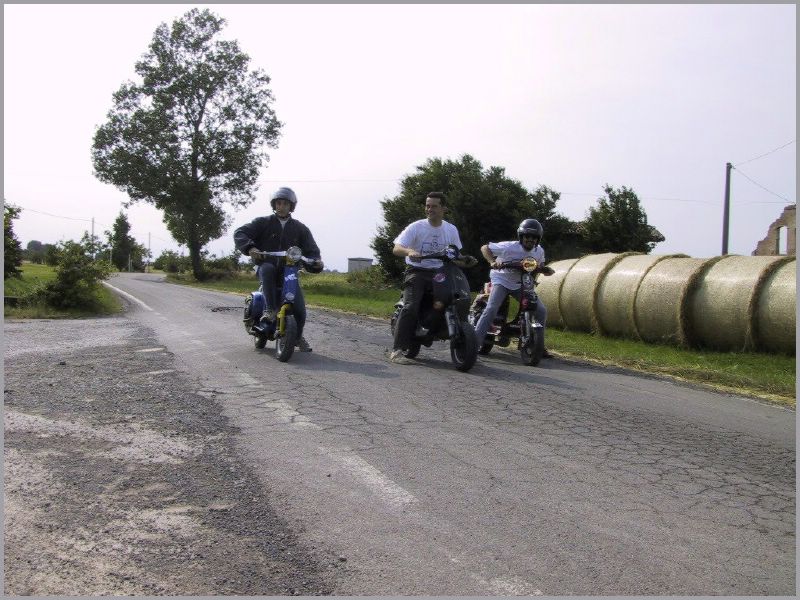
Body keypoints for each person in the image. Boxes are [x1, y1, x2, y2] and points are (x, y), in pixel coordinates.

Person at [234, 187, 323, 352]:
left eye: (285, 204)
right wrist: (251, 248)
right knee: (267, 268)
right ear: (274, 205)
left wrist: (316, 262)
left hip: (289, 272)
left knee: (300, 310)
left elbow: (312, 252)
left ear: (291, 206)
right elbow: (240, 233)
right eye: (278, 203)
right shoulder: (263, 222)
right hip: (267, 266)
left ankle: (297, 337)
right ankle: (268, 309)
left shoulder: (300, 228)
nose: (281, 207)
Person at [389, 192, 472, 365]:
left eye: (434, 206)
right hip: (417, 271)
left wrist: (465, 260)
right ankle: (397, 350)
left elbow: (455, 254)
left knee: (453, 298)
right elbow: (397, 248)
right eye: (427, 205)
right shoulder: (416, 227)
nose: (429, 209)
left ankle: (458, 338)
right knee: (411, 306)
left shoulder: (450, 229)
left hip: (441, 272)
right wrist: (409, 251)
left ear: (444, 209)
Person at [473, 218, 555, 357]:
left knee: (541, 310)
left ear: (538, 239)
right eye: (527, 236)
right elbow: (484, 248)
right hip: (501, 280)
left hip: (521, 283)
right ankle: (474, 343)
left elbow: (538, 266)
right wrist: (492, 261)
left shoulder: (539, 251)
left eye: (534, 237)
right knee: (492, 308)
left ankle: (538, 345)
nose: (530, 240)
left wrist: (544, 270)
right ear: (521, 236)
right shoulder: (509, 247)